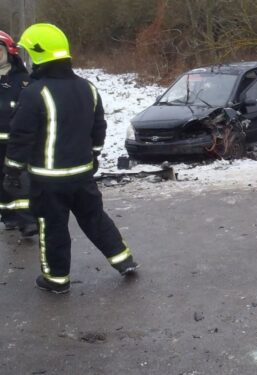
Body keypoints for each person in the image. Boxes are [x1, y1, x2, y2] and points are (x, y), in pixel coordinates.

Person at [3, 23, 138, 294]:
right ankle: (123, 260)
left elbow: (21, 136)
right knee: (94, 218)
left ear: (38, 55)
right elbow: (99, 128)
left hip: (47, 180)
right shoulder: (88, 88)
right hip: (82, 174)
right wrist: (95, 156)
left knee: (52, 229)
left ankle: (56, 280)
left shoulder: (35, 92)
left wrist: (12, 171)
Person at [0, 30, 37, 236]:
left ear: (9, 52)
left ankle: (27, 220)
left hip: (17, 143)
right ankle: (9, 217)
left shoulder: (24, 81)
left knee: (20, 179)